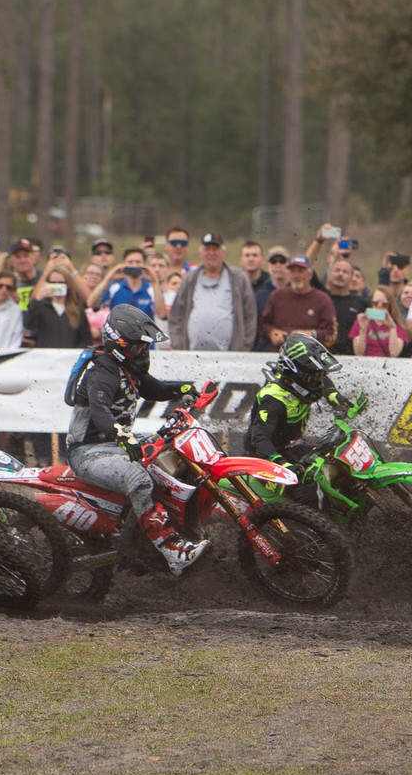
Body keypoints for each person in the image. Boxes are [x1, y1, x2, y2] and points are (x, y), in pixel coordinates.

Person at [64, 304, 206, 575]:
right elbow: (100, 410)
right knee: (138, 479)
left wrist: (184, 388)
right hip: (89, 452)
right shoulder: (102, 372)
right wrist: (121, 435)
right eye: (138, 348)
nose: (143, 353)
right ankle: (172, 551)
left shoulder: (128, 367)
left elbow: (155, 388)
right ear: (120, 345)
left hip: (116, 445)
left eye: (145, 347)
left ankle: (178, 528)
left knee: (176, 449)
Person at [243, 335, 338, 470]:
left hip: (291, 448)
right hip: (264, 458)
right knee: (305, 486)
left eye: (319, 376)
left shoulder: (297, 380)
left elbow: (321, 379)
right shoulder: (273, 399)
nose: (318, 382)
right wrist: (283, 465)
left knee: (331, 458)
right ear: (297, 376)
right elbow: (259, 438)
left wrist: (334, 396)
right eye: (313, 377)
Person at [169, 232, 257, 352]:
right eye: (207, 249)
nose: (211, 253)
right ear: (201, 253)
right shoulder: (189, 280)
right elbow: (175, 316)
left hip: (230, 358)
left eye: (215, 249)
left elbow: (250, 317)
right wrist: (179, 345)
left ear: (223, 252)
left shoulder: (239, 279)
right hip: (191, 356)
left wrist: (243, 348)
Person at [259, 253, 337, 348]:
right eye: (292, 271)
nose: (296, 275)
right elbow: (263, 325)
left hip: (310, 355)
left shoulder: (322, 299)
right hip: (281, 353)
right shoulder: (277, 296)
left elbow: (331, 333)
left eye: (300, 271)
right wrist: (272, 332)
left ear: (310, 274)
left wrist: (311, 334)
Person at [25, 260, 91, 348]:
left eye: (61, 283)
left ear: (68, 284)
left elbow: (85, 340)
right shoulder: (41, 307)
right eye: (53, 283)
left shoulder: (78, 311)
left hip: (69, 358)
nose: (57, 286)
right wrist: (37, 300)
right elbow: (28, 325)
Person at [350, 287, 403, 357]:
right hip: (365, 364)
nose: (379, 306)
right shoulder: (360, 322)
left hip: (386, 365)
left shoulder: (397, 326)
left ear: (390, 306)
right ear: (371, 303)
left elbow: (394, 354)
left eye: (384, 304)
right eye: (375, 303)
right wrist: (363, 330)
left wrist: (392, 328)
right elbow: (359, 353)